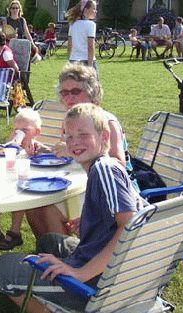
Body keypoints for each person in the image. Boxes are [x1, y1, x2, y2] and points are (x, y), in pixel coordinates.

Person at [0, 103, 144, 312]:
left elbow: (130, 227)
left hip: (100, 284)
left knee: (2, 266)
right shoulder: (108, 166)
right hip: (111, 267)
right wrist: (90, 221)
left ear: (105, 137)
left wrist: (81, 274)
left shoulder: (104, 169)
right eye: (69, 136)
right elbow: (122, 214)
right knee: (48, 241)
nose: (74, 142)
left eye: (83, 134)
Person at [27, 63, 133, 238]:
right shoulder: (71, 120)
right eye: (64, 92)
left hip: (108, 189)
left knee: (45, 206)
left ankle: (72, 254)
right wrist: (45, 150)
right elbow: (72, 152)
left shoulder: (106, 121)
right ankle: (54, 250)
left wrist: (69, 151)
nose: (69, 97)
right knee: (32, 204)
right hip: (77, 180)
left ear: (92, 93)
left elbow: (118, 163)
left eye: (76, 91)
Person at [0, 108, 49, 250]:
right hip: (8, 176)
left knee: (20, 192)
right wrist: (10, 144)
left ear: (37, 132)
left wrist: (33, 153)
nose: (19, 134)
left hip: (26, 182)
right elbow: (3, 154)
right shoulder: (13, 144)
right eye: (16, 130)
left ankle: (15, 231)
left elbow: (48, 158)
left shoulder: (37, 147)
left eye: (24, 130)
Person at [66, 0, 98, 72]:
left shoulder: (72, 24)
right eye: (94, 8)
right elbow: (90, 47)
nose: (96, 11)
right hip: (86, 61)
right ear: (86, 10)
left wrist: (69, 61)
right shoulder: (91, 24)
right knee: (93, 83)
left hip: (73, 61)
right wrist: (90, 67)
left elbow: (69, 46)